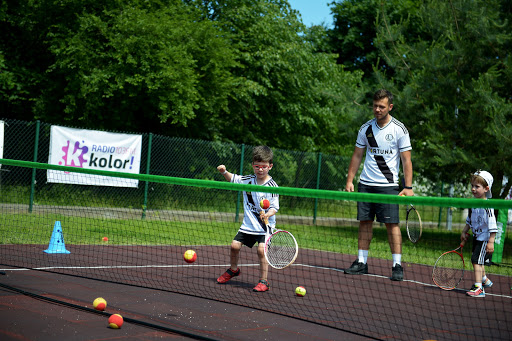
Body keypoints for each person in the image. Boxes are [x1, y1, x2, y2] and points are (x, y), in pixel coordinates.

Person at [344, 89, 414, 281]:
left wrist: (408, 187)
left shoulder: (400, 129)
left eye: (381, 106)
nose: (377, 109)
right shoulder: (365, 128)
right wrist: (350, 180)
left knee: (392, 225)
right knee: (364, 223)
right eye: (375, 106)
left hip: (388, 186)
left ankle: (397, 265)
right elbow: (357, 155)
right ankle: (361, 262)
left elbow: (406, 161)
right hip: (366, 184)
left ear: (390, 107)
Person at [216, 145, 279, 292]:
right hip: (248, 225)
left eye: (264, 166)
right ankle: (233, 270)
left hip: (265, 227)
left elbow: (274, 208)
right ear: (253, 166)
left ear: (270, 166)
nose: (260, 169)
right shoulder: (248, 180)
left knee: (261, 251)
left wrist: (267, 214)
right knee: (234, 246)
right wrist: (224, 172)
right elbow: (233, 179)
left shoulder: (272, 186)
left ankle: (264, 281)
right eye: (257, 166)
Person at [461, 170, 497, 297]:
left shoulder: (488, 206)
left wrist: (491, 242)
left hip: (484, 239)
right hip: (476, 237)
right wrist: (465, 231)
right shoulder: (473, 204)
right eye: (472, 186)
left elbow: (493, 226)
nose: (473, 189)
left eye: (477, 186)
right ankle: (485, 280)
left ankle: (479, 288)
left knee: (476, 260)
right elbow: (469, 220)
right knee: (477, 260)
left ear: (486, 188)